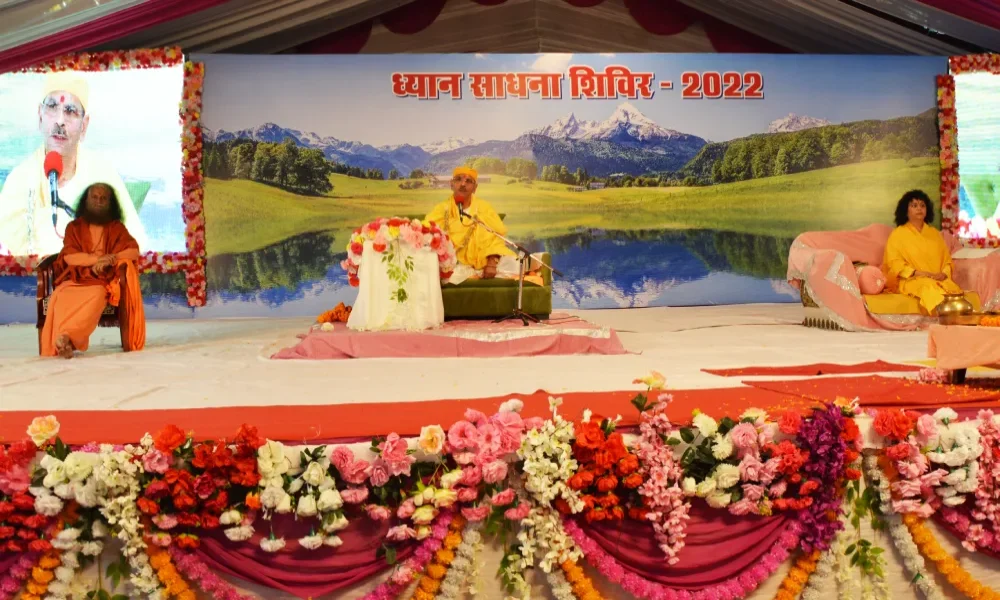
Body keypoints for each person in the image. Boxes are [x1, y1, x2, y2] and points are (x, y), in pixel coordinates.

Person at [0, 71, 146, 257]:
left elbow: (135, 244)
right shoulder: (20, 179)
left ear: (84, 126)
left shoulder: (102, 173)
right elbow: (8, 256)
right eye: (52, 107)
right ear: (40, 116)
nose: (60, 121)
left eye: (70, 111)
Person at [40, 182, 145, 358]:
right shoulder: (74, 227)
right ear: (86, 201)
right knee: (60, 296)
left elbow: (133, 251)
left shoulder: (116, 228)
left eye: (103, 198)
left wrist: (111, 259)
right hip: (75, 279)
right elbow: (70, 257)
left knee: (97, 295)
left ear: (110, 203)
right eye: (94, 197)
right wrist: (97, 260)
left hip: (99, 282)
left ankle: (66, 338)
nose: (99, 201)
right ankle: (66, 341)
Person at [882, 190, 965, 315]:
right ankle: (945, 318)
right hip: (911, 280)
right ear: (906, 210)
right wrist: (917, 273)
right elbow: (894, 263)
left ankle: (957, 317)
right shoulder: (897, 234)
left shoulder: (934, 234)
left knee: (953, 290)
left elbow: (947, 260)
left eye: (922, 205)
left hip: (937, 280)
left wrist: (943, 274)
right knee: (929, 289)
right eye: (914, 205)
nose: (919, 208)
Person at [423, 166, 514, 281]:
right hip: (453, 265)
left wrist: (492, 263)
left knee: (514, 264)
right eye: (458, 179)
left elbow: (496, 239)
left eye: (468, 181)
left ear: (475, 188)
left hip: (483, 263)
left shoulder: (484, 208)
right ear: (451, 184)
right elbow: (426, 232)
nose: (463, 184)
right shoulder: (441, 209)